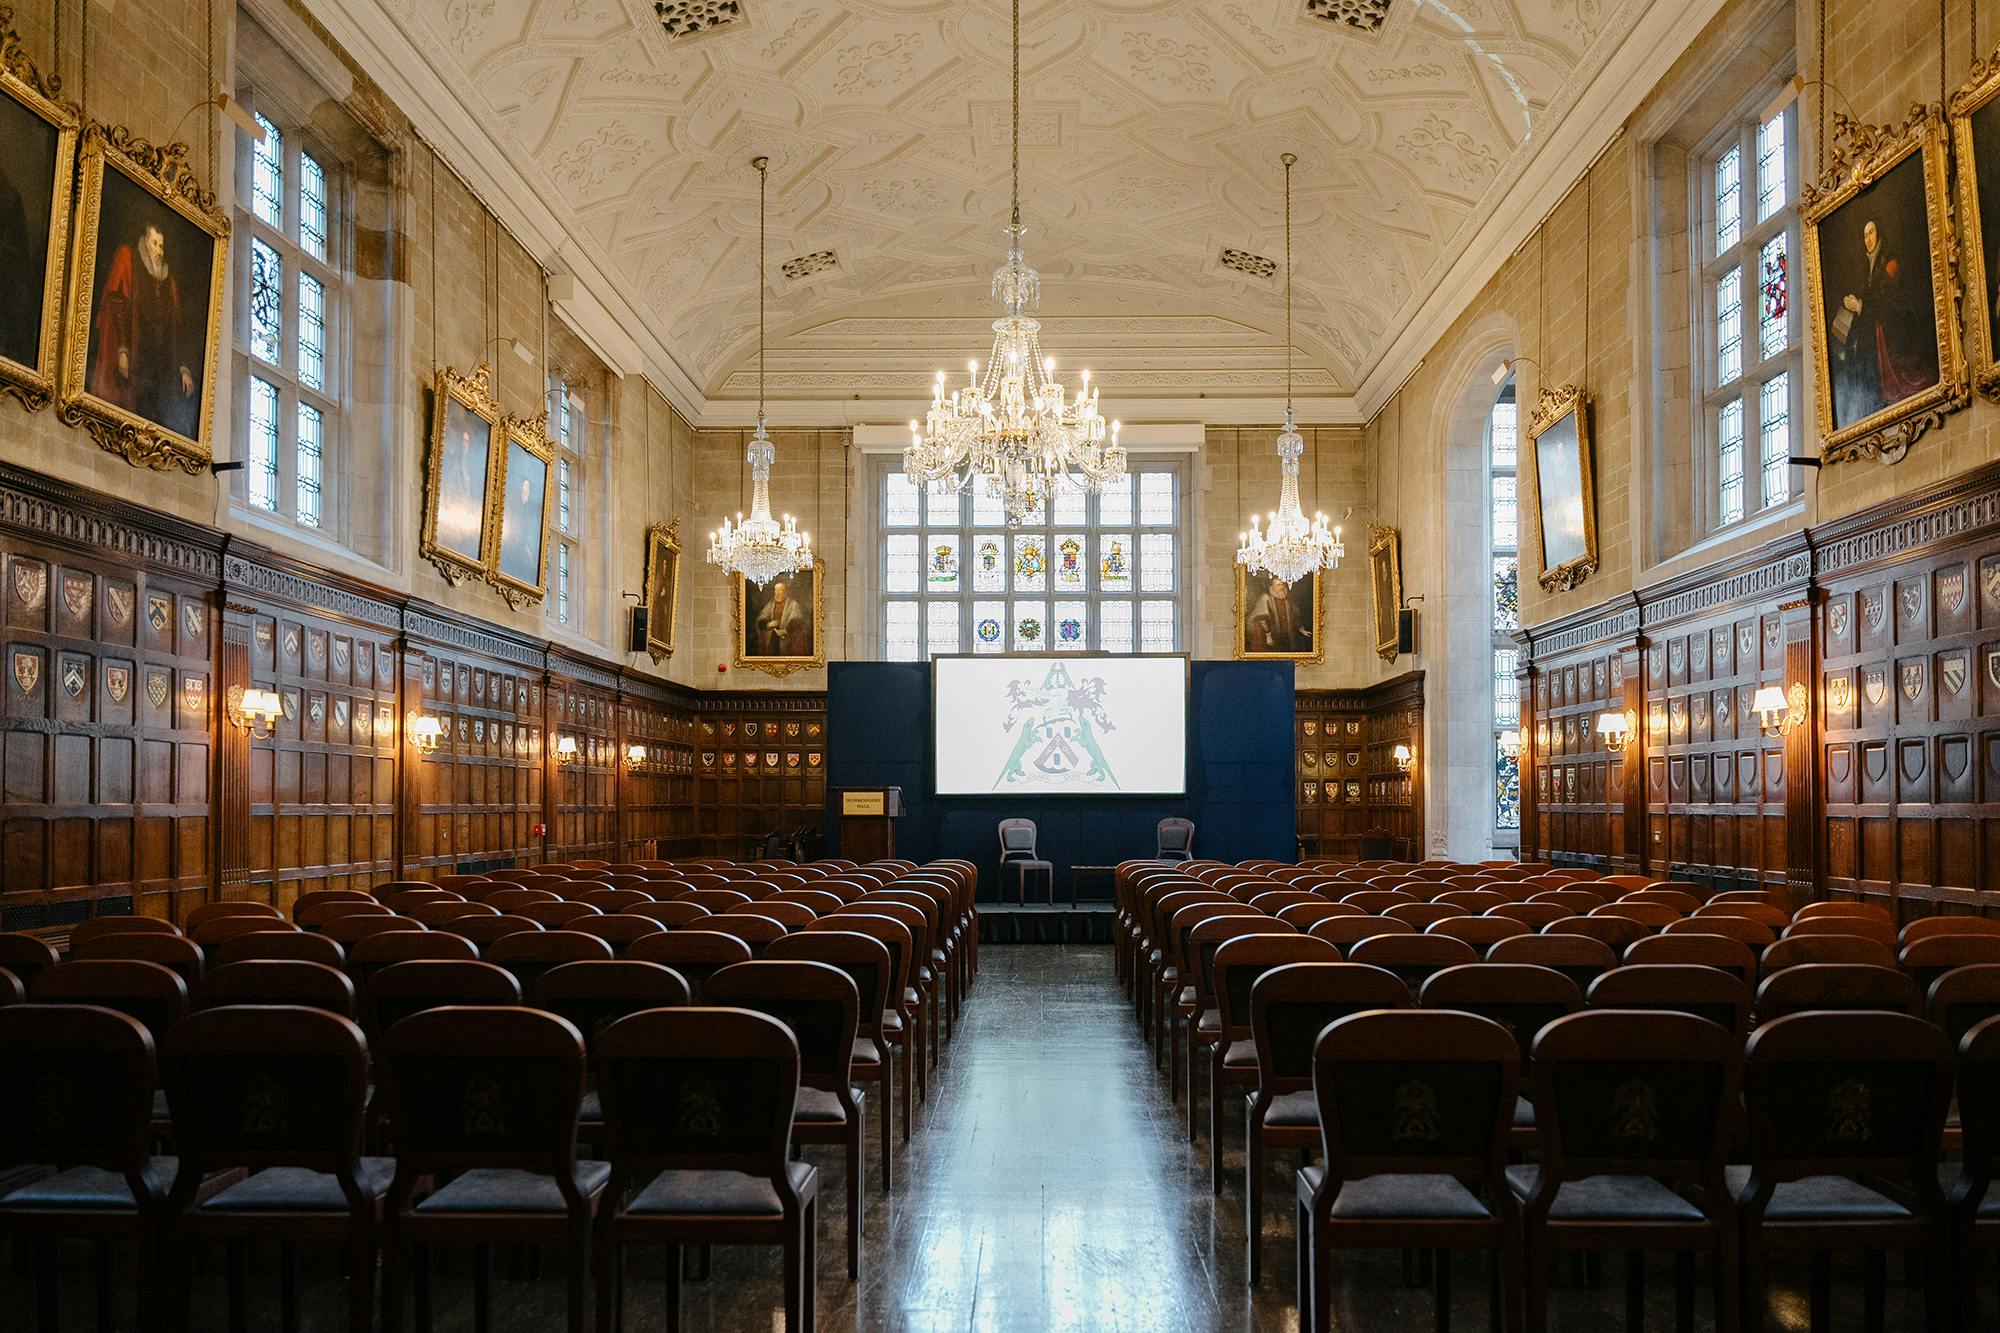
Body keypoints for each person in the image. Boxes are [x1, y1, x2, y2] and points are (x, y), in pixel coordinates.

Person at [89, 220, 199, 438]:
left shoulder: (169, 284)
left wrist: (184, 369)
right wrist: (122, 350)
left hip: (159, 367)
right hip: (134, 355)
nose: (158, 251)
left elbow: (177, 328)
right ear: (145, 242)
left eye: (161, 246)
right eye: (154, 244)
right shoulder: (129, 262)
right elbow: (117, 306)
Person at [1832, 217, 1936, 426]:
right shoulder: (1866, 265)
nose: (1868, 239)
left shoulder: (1890, 263)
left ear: (1879, 234)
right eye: (1864, 235)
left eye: (1871, 233)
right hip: (1874, 328)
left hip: (1894, 329)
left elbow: (1890, 302)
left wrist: (1860, 306)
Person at [1248, 575, 1307, 653]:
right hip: (1273, 634)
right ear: (1272, 586)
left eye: (1282, 584)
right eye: (1278, 585)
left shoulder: (1287, 598)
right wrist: (1268, 636)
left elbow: (1295, 615)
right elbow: (1262, 619)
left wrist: (1301, 629)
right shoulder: (1266, 598)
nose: (1281, 587)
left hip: (1288, 634)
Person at [754, 577, 810, 657]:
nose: (778, 593)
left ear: (786, 592)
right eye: (776, 590)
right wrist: (768, 625)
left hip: (788, 641)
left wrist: (786, 630)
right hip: (772, 639)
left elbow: (797, 621)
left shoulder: (793, 604)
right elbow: (762, 617)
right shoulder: (771, 604)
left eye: (780, 590)